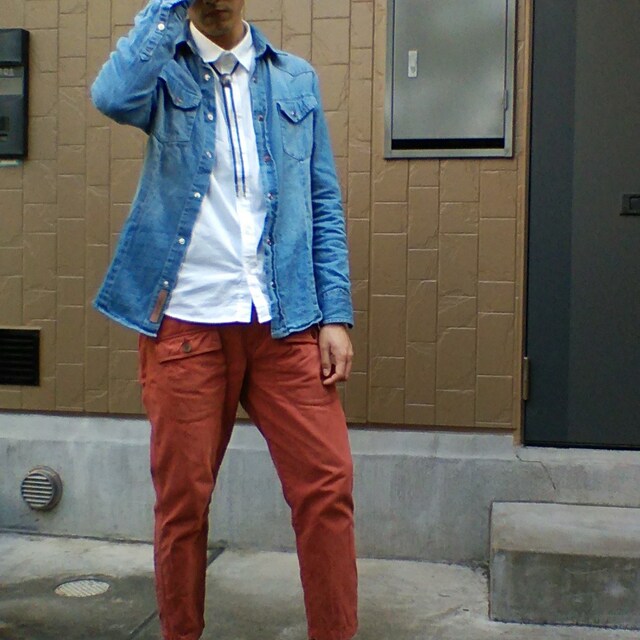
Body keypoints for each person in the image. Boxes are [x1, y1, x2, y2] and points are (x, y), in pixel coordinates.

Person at [91, 1, 357, 639]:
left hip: (284, 318)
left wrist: (335, 313)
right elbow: (112, 96)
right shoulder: (164, 72)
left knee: (328, 486)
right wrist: (167, 10)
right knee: (183, 505)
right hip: (187, 324)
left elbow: (322, 199)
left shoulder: (294, 78)